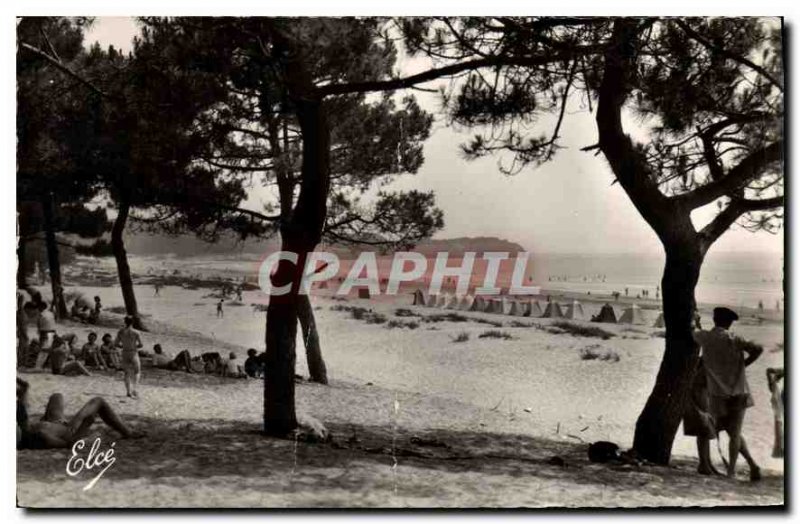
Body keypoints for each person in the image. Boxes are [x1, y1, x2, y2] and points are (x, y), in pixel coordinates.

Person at [693, 307, 763, 481]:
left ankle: (714, 465)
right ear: (730, 323)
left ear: (714, 319)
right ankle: (733, 471)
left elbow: (692, 331)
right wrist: (744, 364)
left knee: (717, 430)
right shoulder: (734, 338)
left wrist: (695, 318)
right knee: (735, 432)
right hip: (739, 391)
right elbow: (758, 349)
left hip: (717, 393)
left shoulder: (706, 337)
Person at [17, 377, 143, 449]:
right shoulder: (42, 436)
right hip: (69, 430)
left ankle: (71, 419)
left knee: (57, 396)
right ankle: (127, 432)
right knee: (98, 401)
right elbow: (70, 444)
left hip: (52, 422)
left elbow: (24, 390)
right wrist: (84, 423)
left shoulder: (25, 427)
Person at [115, 316, 143, 398]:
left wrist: (123, 346)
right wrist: (135, 347)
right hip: (133, 352)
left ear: (125, 322)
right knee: (137, 371)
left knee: (126, 373)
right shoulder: (136, 332)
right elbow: (141, 344)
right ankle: (135, 388)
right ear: (132, 322)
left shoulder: (120, 332)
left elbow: (116, 343)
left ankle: (128, 391)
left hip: (125, 352)